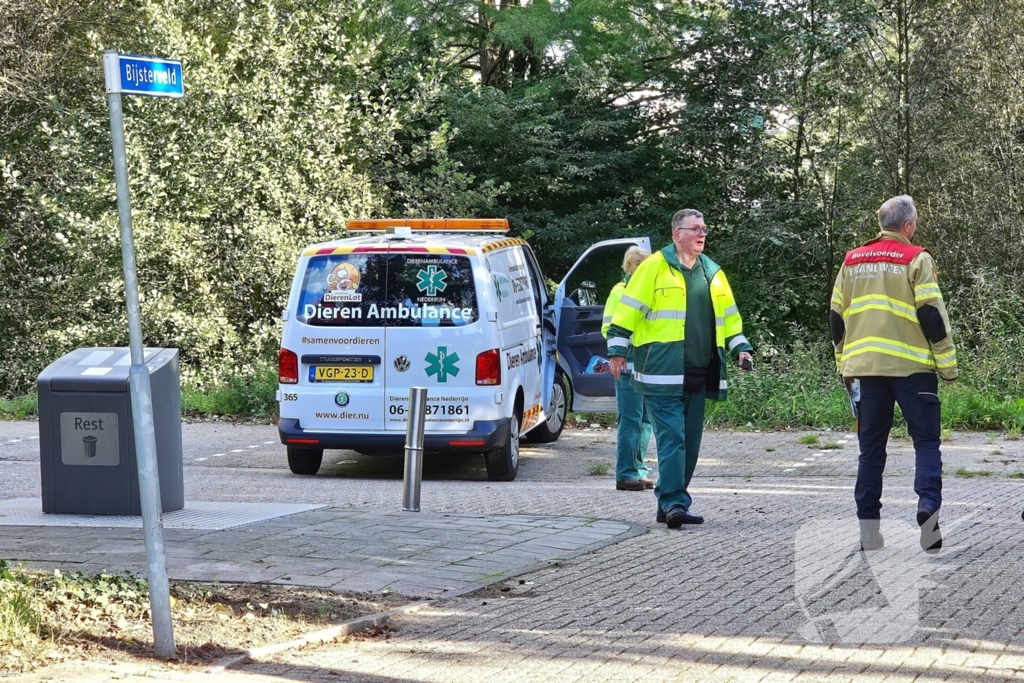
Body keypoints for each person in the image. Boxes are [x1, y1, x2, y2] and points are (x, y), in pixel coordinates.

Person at [606, 209, 753, 528]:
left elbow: (730, 318)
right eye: (695, 229)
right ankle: (674, 503)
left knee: (690, 442)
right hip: (659, 372)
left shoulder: (712, 273)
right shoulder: (654, 267)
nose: (702, 234)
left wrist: (740, 349)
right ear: (677, 234)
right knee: (673, 437)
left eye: (704, 229)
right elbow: (626, 312)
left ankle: (668, 500)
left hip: (699, 373)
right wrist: (617, 351)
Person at [830, 195, 957, 554]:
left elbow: (836, 318)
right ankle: (928, 518)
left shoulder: (852, 260)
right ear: (908, 226)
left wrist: (845, 362)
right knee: (926, 444)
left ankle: (869, 534)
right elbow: (931, 315)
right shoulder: (916, 258)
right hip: (912, 370)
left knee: (870, 453)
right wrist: (947, 367)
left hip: (866, 371)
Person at [602, 246, 655, 491]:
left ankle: (639, 471)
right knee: (631, 420)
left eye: (644, 263)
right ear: (627, 267)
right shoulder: (620, 291)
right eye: (635, 263)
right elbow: (608, 328)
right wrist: (621, 351)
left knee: (646, 422)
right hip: (628, 363)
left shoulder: (653, 291)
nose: (639, 267)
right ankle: (625, 474)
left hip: (650, 365)